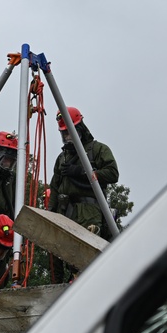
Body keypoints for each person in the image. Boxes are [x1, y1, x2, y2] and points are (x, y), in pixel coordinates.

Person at [49, 107, 119, 281]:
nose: (66, 137)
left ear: (79, 129)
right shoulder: (62, 158)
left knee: (88, 252)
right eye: (63, 133)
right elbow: (54, 187)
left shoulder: (97, 150)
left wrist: (82, 171)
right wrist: (50, 213)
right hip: (66, 212)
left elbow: (112, 173)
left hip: (90, 211)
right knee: (60, 252)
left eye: (69, 132)